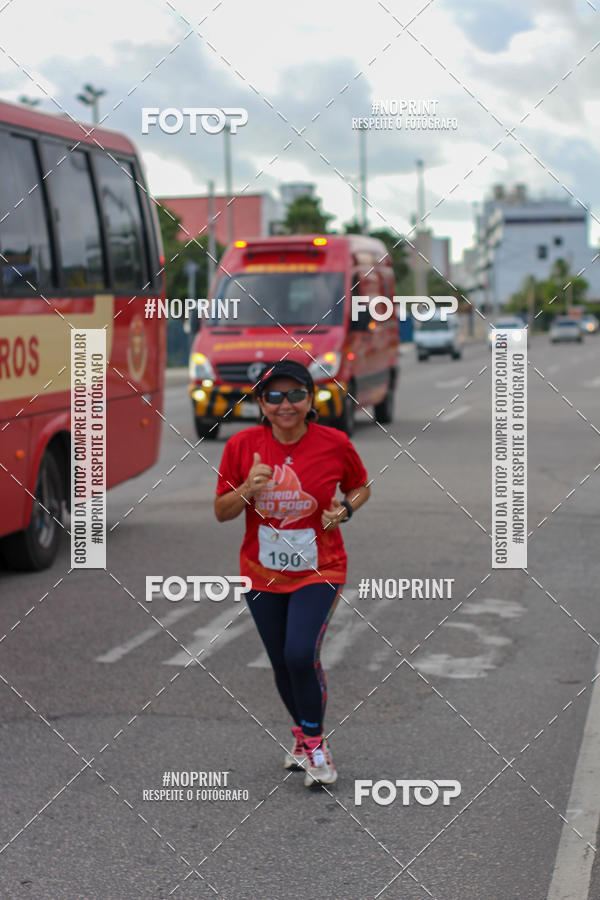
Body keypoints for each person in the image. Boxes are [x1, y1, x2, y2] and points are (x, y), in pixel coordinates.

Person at [214, 360, 370, 787]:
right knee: (282, 662)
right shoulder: (242, 446)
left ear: (311, 398)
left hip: (320, 567)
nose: (286, 405)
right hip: (260, 572)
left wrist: (345, 509)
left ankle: (317, 749)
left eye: (296, 394)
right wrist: (248, 489)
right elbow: (221, 512)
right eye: (275, 396)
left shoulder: (334, 442)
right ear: (261, 403)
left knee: (301, 654)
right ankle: (302, 736)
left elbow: (361, 485)